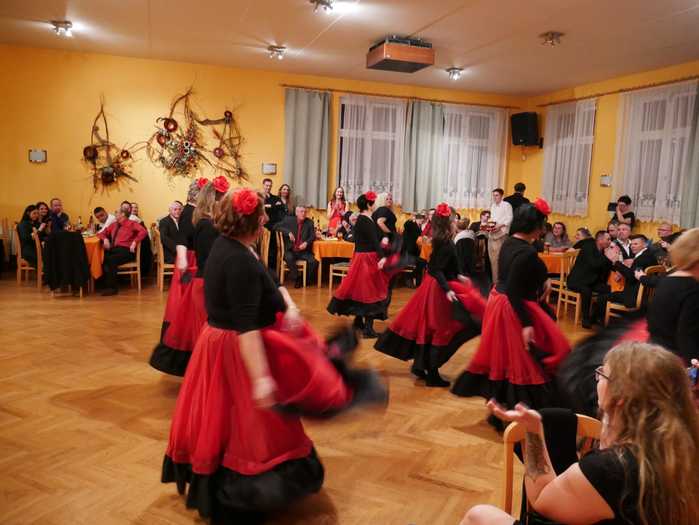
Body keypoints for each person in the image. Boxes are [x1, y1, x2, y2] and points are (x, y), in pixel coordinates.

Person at [161, 188, 387, 523]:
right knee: (246, 428)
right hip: (236, 350)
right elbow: (246, 326)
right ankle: (241, 495)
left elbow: (268, 281)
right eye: (262, 214)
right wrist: (262, 379)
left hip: (227, 344)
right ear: (252, 222)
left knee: (236, 422)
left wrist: (289, 304)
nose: (267, 218)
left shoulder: (234, 246)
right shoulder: (236, 258)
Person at [462, 342, 699, 525]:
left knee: (478, 515)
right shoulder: (683, 443)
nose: (597, 379)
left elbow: (541, 501)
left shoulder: (610, 469)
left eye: (602, 374)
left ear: (620, 397)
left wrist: (533, 431)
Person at [452, 199, 571, 428]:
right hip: (513, 306)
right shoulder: (526, 252)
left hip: (500, 301)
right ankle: (520, 416)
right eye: (542, 225)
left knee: (506, 358)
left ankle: (502, 410)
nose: (543, 230)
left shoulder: (510, 243)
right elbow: (517, 288)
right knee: (523, 361)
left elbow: (526, 270)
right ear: (535, 227)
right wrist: (526, 324)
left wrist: (543, 279)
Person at [375, 203, 486, 387]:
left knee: (434, 328)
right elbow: (436, 269)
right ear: (448, 222)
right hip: (438, 289)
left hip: (438, 286)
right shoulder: (444, 241)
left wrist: (459, 276)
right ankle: (432, 373)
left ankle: (421, 367)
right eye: (454, 218)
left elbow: (443, 265)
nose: (456, 221)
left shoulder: (444, 239)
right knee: (441, 330)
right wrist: (448, 289)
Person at [150, 179, 229, 376]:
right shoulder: (193, 215)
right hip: (193, 262)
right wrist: (184, 259)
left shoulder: (201, 216)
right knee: (186, 306)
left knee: (190, 307)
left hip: (197, 261)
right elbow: (182, 239)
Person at [327, 191, 392, 338]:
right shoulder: (364, 220)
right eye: (373, 202)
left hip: (363, 258)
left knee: (362, 291)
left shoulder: (365, 219)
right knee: (370, 292)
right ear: (369, 205)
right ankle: (367, 329)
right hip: (367, 259)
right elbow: (374, 241)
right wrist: (382, 257)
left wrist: (384, 238)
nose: (375, 204)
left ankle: (358, 323)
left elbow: (374, 237)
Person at [643, 228, 699, 363]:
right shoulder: (693, 288)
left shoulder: (668, 280)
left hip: (655, 352)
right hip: (674, 362)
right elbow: (687, 338)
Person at [593, 234, 657, 321]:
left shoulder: (641, 259)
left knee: (602, 298)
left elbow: (631, 277)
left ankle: (600, 322)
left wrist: (616, 262)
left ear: (645, 245)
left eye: (636, 244)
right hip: (646, 295)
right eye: (631, 244)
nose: (632, 246)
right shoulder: (650, 256)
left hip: (633, 296)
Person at [566, 230, 613, 328]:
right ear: (600, 240)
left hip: (591, 281)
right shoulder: (588, 247)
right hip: (577, 280)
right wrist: (608, 258)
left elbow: (607, 265)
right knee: (586, 290)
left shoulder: (603, 250)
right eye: (608, 239)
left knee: (607, 289)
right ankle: (585, 319)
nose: (610, 242)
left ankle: (596, 316)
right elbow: (594, 264)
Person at [97, 209, 147, 296]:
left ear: (123, 214)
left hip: (126, 251)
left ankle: (112, 288)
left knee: (111, 259)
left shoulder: (132, 223)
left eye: (116, 212)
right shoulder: (114, 224)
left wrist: (135, 242)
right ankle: (103, 284)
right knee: (102, 257)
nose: (114, 214)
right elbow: (100, 233)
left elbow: (143, 231)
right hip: (115, 249)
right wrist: (105, 239)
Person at [275, 205, 318, 288]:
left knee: (314, 261)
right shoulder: (288, 220)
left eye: (305, 212)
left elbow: (313, 236)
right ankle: (297, 277)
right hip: (291, 250)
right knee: (289, 258)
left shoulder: (309, 222)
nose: (303, 214)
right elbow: (276, 226)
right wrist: (288, 232)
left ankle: (304, 280)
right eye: (301, 212)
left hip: (303, 251)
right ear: (296, 213)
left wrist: (306, 243)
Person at [488, 188, 513, 284]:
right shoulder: (493, 206)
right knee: (492, 259)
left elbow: (509, 218)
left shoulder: (506, 205)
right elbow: (492, 219)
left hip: (501, 234)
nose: (495, 197)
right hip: (492, 233)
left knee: (499, 259)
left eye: (497, 195)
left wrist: (500, 226)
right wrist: (488, 226)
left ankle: (499, 282)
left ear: (502, 196)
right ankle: (494, 281)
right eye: (493, 195)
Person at [180, 178, 207, 249]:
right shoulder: (189, 213)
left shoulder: (190, 209)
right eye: (205, 195)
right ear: (196, 196)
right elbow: (190, 237)